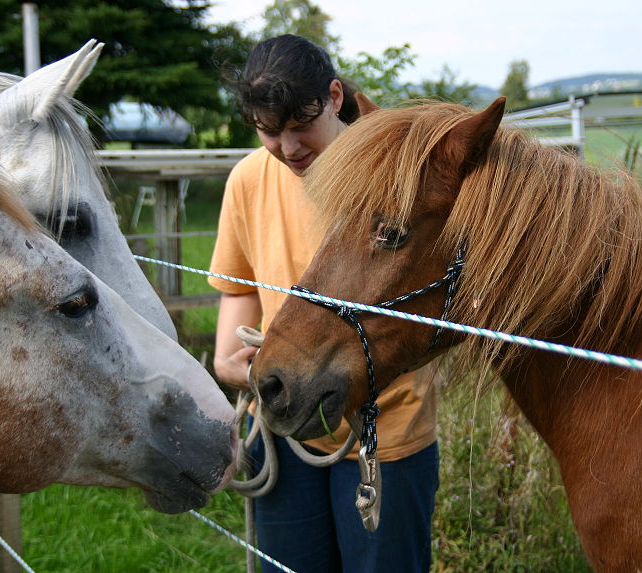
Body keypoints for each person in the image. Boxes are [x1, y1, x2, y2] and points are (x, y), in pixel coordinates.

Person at [209, 34, 439, 573]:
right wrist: (227, 357)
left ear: (335, 97)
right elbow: (240, 282)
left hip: (383, 431)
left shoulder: (389, 174)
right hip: (285, 420)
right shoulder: (247, 180)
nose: (287, 148)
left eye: (300, 126)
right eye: (269, 130)